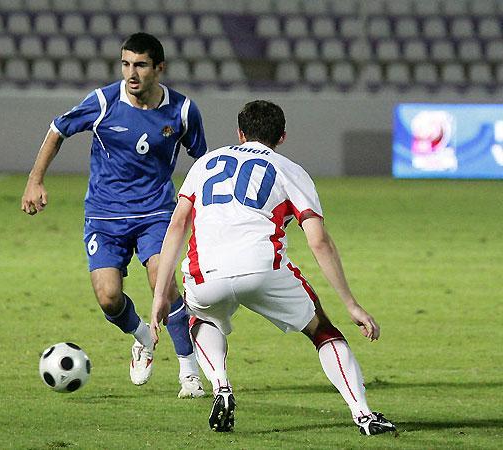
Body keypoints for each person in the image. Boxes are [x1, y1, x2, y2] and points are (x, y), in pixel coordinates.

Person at [150, 100, 397, 434]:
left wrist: (160, 295)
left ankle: (221, 386)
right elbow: (318, 241)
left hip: (206, 272)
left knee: (201, 317)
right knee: (322, 331)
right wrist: (351, 304)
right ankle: (363, 415)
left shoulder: (205, 163)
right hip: (263, 267)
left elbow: (178, 224)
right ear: (282, 136)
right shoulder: (290, 170)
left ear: (240, 133)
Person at [21, 33, 207, 398]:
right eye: (126, 64)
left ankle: (189, 372)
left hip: (157, 213)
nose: (131, 73)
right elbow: (58, 129)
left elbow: (202, 161)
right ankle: (142, 336)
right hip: (104, 216)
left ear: (159, 68)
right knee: (108, 297)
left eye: (140, 65)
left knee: (164, 284)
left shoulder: (183, 111)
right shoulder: (104, 102)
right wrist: (34, 180)